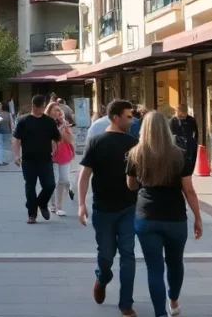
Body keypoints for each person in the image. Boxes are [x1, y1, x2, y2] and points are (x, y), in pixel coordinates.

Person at [127, 110, 203, 317]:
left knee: (154, 268)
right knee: (175, 262)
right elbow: (189, 190)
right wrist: (198, 217)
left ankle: (159, 312)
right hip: (175, 217)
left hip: (146, 216)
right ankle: (174, 301)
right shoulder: (179, 154)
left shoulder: (135, 154)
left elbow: (131, 186)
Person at [78, 100, 138, 317]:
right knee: (106, 255)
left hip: (129, 208)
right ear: (116, 117)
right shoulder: (97, 141)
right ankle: (102, 278)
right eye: (128, 116)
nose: (132, 120)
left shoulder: (134, 143)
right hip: (102, 209)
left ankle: (126, 304)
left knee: (128, 254)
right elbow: (84, 176)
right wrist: (81, 204)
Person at [13, 95, 62, 224]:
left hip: (45, 159)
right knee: (30, 187)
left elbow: (57, 138)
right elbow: (16, 139)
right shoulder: (24, 121)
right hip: (28, 160)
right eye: (40, 108)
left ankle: (42, 203)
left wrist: (54, 150)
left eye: (43, 107)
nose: (42, 110)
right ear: (33, 106)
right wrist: (16, 155)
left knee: (50, 185)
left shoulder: (49, 122)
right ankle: (32, 214)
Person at [47, 102, 75, 215]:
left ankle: (67, 189)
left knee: (64, 179)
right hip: (51, 156)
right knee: (53, 182)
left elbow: (70, 139)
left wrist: (63, 128)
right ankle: (55, 206)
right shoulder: (46, 124)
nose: (59, 112)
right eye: (56, 110)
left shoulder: (65, 124)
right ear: (49, 112)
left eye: (59, 110)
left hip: (63, 154)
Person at [169, 104, 199, 169]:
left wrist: (194, 142)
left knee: (189, 165)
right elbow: (171, 135)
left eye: (185, 113)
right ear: (177, 111)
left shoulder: (191, 120)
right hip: (178, 146)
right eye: (182, 113)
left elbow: (195, 132)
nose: (184, 115)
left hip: (190, 145)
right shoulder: (172, 121)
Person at [0, 101, 14, 166]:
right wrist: (12, 133)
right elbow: (11, 124)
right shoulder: (9, 114)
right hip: (7, 132)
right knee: (5, 147)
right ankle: (5, 160)